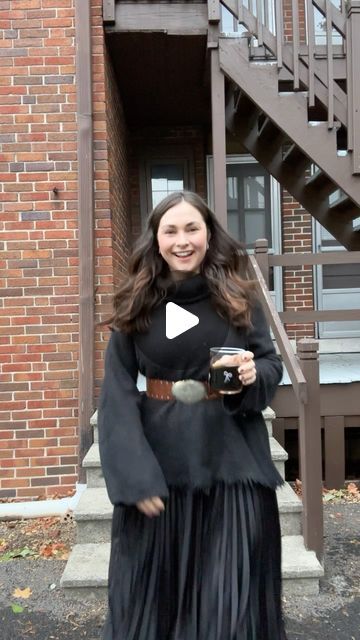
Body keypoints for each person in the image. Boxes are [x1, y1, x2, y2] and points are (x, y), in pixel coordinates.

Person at [99, 191, 286, 640]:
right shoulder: (137, 302)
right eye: (171, 230)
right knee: (157, 601)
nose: (182, 240)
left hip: (232, 462)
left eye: (192, 229)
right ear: (156, 240)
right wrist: (133, 477)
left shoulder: (239, 296)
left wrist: (249, 375)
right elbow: (118, 393)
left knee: (230, 601)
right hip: (161, 470)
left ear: (208, 235)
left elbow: (270, 365)